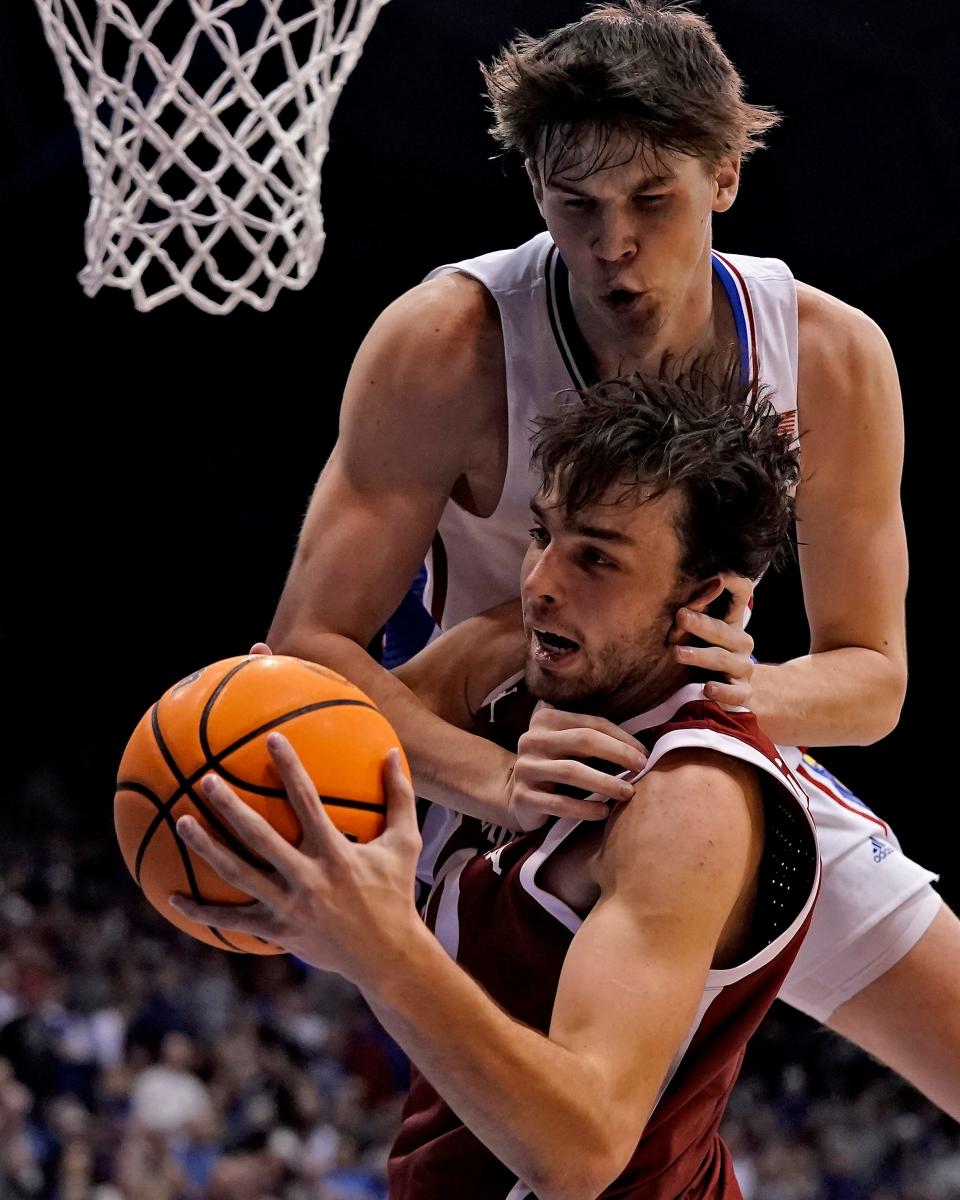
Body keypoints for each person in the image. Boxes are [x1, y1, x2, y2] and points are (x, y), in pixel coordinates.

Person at [263, 1, 960, 1117]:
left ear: (726, 176)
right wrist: (486, 774)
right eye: (574, 205)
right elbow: (305, 649)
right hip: (487, 766)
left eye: (652, 201)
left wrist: (738, 690)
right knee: (565, 1142)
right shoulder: (447, 342)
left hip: (702, 737)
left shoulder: (829, 356)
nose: (611, 244)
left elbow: (873, 677)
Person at [171, 373, 821, 1199]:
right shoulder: (527, 662)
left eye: (596, 557)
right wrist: (273, 736)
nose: (541, 580)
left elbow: (580, 1152)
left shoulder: (689, 801)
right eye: (541, 534)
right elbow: (318, 696)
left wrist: (379, 949)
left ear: (703, 598)